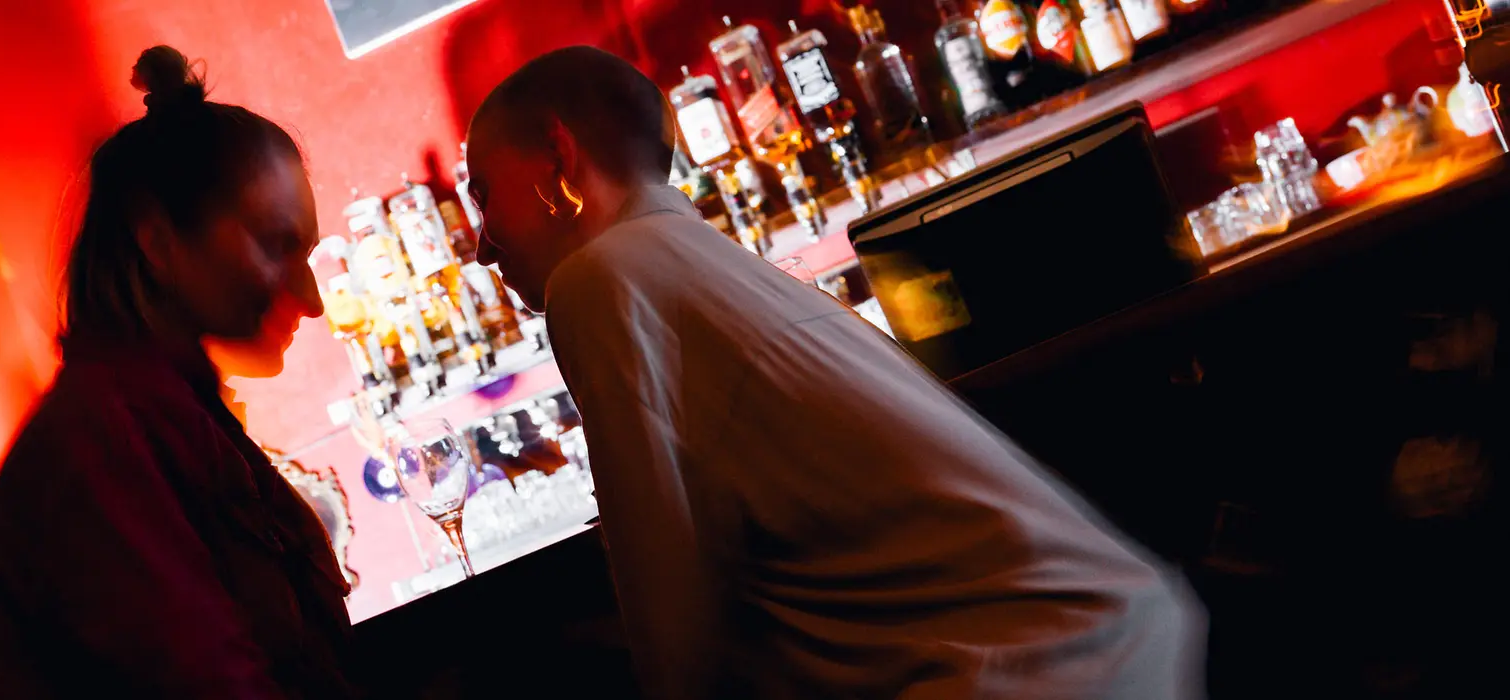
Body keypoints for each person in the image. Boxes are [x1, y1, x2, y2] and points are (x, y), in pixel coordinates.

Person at [465, 46, 1203, 700]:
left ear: (559, 156)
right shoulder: (701, 261)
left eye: (482, 193)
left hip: (1018, 673)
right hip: (1104, 638)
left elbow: (675, 628)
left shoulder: (600, 279)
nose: (481, 247)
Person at [0, 46, 356, 698]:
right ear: (158, 243)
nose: (311, 299)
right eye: (276, 244)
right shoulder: (105, 442)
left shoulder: (163, 413)